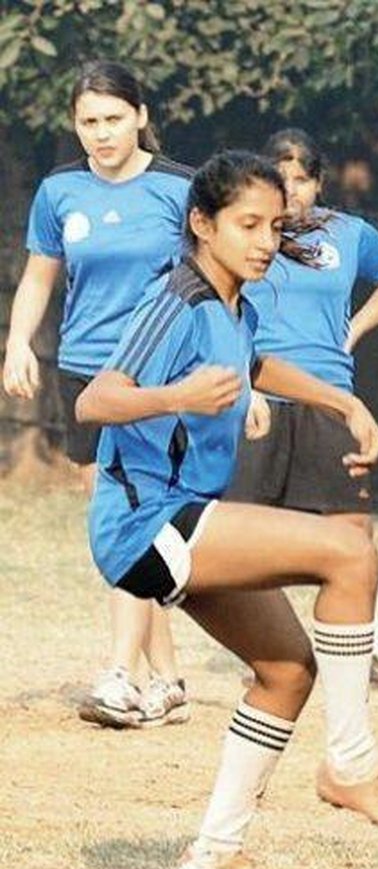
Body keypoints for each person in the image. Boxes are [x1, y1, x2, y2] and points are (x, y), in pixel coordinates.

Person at [76, 150, 378, 869]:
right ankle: (351, 763)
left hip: (185, 518)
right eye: (247, 224)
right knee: (349, 552)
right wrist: (176, 395)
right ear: (202, 224)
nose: (265, 241)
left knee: (285, 670)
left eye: (274, 225)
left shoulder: (230, 304)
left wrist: (343, 402)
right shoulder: (177, 298)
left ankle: (216, 855)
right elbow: (96, 400)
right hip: (147, 522)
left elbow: (254, 365)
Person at [3, 61, 192, 730]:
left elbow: (217, 279)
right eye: (89, 121)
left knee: (129, 520)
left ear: (140, 116)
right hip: (81, 375)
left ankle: (120, 673)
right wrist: (19, 342)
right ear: (75, 125)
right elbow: (38, 278)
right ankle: (166, 678)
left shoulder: (179, 189)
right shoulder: (60, 192)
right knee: (117, 524)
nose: (103, 133)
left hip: (148, 376)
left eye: (114, 118)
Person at [224, 128, 378, 694]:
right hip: (259, 399)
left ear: (319, 183)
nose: (291, 191)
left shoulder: (350, 235)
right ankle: (268, 651)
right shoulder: (246, 236)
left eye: (302, 178)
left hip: (333, 402)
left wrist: (357, 327)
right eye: (280, 178)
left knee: (353, 531)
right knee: (246, 534)